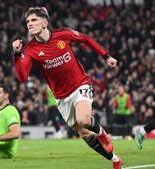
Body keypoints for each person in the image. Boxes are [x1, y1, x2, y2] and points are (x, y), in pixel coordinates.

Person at [11, 7, 122, 169]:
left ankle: (102, 133)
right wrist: (16, 54)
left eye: (33, 20)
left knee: (83, 119)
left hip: (80, 85)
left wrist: (106, 56)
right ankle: (114, 159)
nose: (29, 24)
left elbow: (86, 39)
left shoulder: (62, 34)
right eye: (27, 21)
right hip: (61, 97)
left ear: (44, 23)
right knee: (84, 134)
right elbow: (22, 78)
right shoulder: (30, 49)